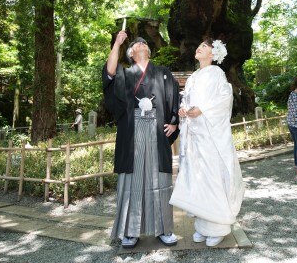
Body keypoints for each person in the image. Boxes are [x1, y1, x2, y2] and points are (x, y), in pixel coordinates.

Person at [102, 31, 180, 249]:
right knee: (132, 181)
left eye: (144, 43)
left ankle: (164, 229)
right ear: (131, 54)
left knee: (160, 180)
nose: (141, 45)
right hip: (132, 131)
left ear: (149, 50)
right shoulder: (125, 74)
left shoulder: (163, 73)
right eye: (136, 44)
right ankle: (130, 231)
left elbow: (174, 98)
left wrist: (174, 122)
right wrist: (117, 43)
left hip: (157, 130)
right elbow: (109, 74)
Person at [169, 38, 244, 247]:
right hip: (194, 134)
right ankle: (203, 226)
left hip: (210, 133)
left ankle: (218, 226)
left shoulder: (217, 73)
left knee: (212, 175)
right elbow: (188, 99)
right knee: (198, 177)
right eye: (199, 45)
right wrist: (184, 109)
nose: (198, 47)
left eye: (203, 46)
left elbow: (223, 98)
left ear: (213, 54)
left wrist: (201, 109)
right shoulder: (194, 76)